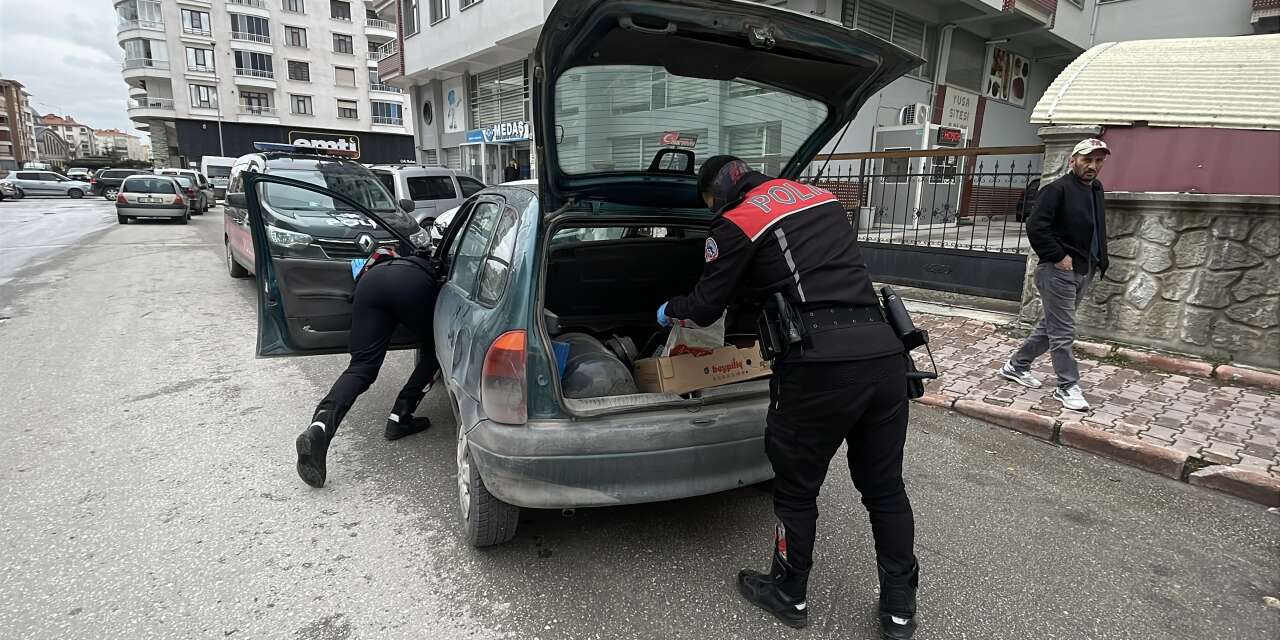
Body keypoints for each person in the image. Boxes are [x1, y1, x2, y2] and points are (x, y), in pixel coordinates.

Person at [658, 156, 920, 638]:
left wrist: (667, 309)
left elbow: (705, 306)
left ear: (717, 193)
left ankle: (788, 592)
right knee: (884, 489)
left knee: (797, 490)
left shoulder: (737, 221)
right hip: (885, 355)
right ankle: (900, 609)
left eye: (709, 202)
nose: (712, 210)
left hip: (817, 366)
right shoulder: (821, 198)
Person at [295, 251, 441, 488]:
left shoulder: (378, 261)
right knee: (437, 349)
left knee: (361, 367)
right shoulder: (421, 262)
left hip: (369, 285)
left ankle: (320, 427)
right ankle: (400, 417)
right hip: (412, 283)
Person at [999, 138, 1111, 411]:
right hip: (1057, 271)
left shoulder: (1095, 189)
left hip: (1085, 269)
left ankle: (1016, 365)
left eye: (1098, 161)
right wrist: (1059, 257)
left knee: (1051, 328)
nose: (1092, 166)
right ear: (1073, 160)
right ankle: (1067, 386)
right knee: (1063, 331)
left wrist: (1098, 262)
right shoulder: (1056, 190)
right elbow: (1036, 226)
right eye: (1087, 160)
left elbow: (1095, 228)